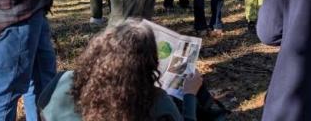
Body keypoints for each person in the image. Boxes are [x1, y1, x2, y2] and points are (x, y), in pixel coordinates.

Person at [37, 20, 203, 121]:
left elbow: (42, 110)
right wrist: (189, 96)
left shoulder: (61, 82)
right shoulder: (157, 103)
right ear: (148, 65)